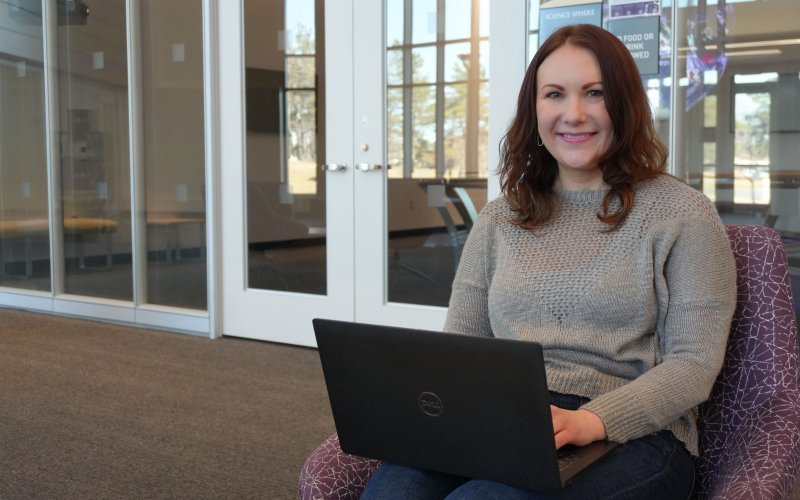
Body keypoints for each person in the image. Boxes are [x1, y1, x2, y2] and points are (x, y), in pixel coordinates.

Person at [360, 23, 737, 500]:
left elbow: (694, 364)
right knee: (392, 493)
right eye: (554, 94)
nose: (573, 114)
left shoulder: (683, 214)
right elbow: (460, 347)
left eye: (595, 93)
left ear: (626, 104)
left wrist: (592, 421)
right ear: (534, 109)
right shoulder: (500, 218)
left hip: (635, 433)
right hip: (502, 417)